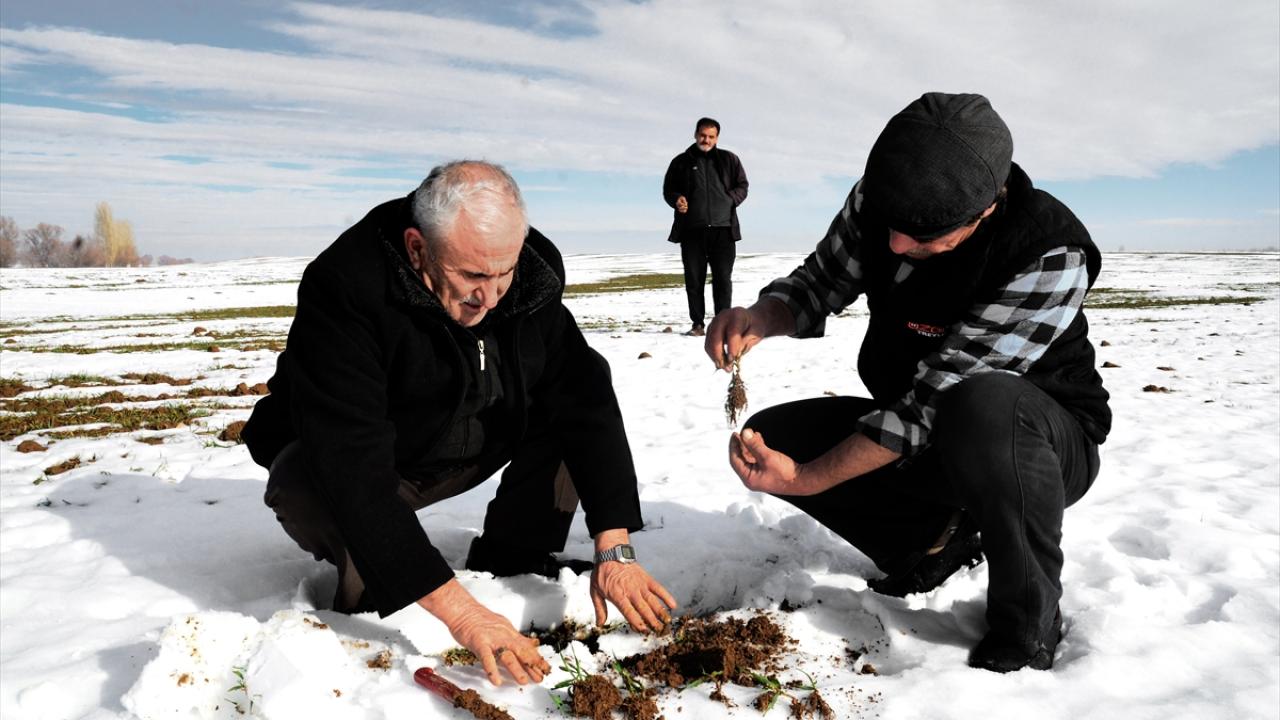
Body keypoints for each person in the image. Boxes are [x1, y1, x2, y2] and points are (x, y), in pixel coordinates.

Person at [704, 93, 1110, 673]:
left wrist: (808, 480)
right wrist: (761, 317)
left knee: (985, 405)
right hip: (927, 429)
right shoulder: (883, 195)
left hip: (1036, 444)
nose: (895, 245)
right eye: (892, 227)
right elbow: (822, 281)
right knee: (775, 438)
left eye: (921, 236)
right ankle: (935, 544)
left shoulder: (1046, 253)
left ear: (986, 209)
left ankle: (1028, 620)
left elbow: (934, 402)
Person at [242, 160, 677, 687]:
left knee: (566, 409)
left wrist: (614, 545)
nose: (490, 297)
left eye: (503, 274)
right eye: (471, 276)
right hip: (375, 458)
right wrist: (465, 615)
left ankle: (513, 554)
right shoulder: (346, 288)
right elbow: (352, 463)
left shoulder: (527, 274)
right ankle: (377, 593)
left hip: (468, 436)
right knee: (311, 481)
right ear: (417, 247)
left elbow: (585, 397)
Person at [663, 117, 749, 336]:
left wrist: (730, 199)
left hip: (724, 230)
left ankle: (723, 325)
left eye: (711, 136)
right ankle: (698, 325)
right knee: (694, 280)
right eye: (703, 135)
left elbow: (743, 186)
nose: (706, 140)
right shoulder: (680, 162)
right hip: (692, 231)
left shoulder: (730, 159)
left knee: (722, 280)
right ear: (695, 134)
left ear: (717, 137)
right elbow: (669, 189)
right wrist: (677, 199)